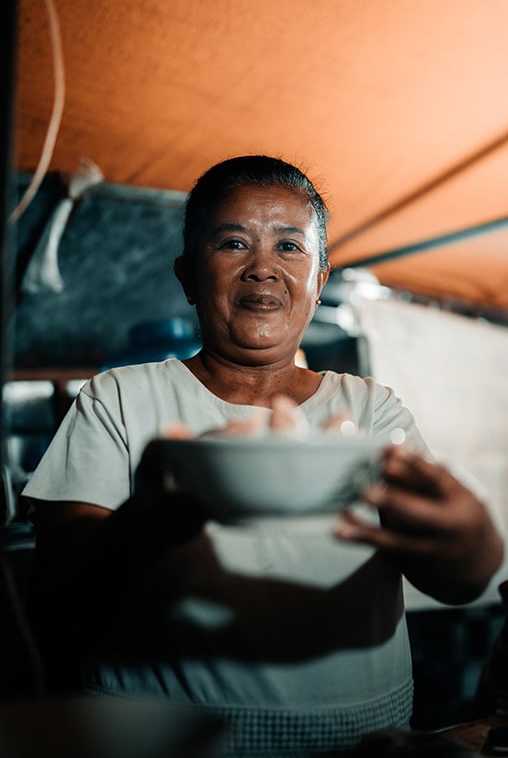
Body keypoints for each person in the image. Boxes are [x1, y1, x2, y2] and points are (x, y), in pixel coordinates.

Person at [23, 156, 503, 757]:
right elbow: (56, 599)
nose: (263, 269)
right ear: (188, 275)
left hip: (356, 744)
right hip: (170, 739)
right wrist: (146, 525)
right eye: (232, 242)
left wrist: (474, 544)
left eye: (290, 247)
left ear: (320, 279)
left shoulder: (370, 410)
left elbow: (456, 578)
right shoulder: (120, 397)